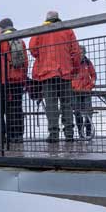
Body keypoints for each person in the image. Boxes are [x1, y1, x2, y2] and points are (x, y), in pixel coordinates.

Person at [29, 10, 80, 142]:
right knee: (66, 104)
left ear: (47, 19)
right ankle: (69, 134)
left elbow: (33, 50)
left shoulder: (40, 30)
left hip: (47, 74)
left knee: (51, 105)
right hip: (65, 73)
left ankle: (54, 134)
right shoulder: (67, 30)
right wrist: (74, 69)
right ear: (58, 18)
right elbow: (75, 51)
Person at [0, 18, 29, 143]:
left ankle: (9, 135)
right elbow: (25, 61)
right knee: (17, 107)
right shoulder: (20, 39)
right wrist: (24, 76)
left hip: (6, 79)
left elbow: (0, 61)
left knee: (6, 108)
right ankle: (19, 135)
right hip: (19, 79)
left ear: (2, 28)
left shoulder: (1, 40)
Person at [71, 45, 97, 139]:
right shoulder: (71, 63)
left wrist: (90, 86)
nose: (81, 54)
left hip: (86, 92)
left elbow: (93, 75)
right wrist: (72, 86)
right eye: (79, 52)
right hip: (75, 92)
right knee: (77, 113)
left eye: (82, 52)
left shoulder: (88, 63)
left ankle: (88, 133)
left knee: (88, 112)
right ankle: (81, 134)